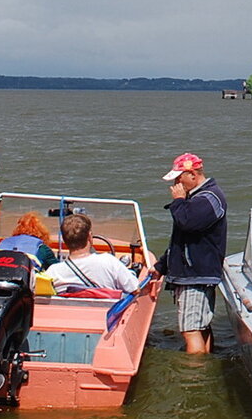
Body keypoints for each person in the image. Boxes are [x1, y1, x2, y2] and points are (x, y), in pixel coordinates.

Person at [154, 152, 227, 354]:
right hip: (196, 273)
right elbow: (182, 240)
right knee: (200, 326)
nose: (176, 183)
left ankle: (193, 374)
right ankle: (205, 362)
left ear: (193, 174)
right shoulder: (198, 198)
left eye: (180, 177)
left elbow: (186, 223)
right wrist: (162, 265)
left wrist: (178, 201)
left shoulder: (208, 198)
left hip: (194, 275)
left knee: (190, 330)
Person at [46, 213, 148, 294]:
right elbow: (135, 289)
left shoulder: (53, 272)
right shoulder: (109, 262)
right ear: (90, 237)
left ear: (64, 240)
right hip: (105, 317)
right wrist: (131, 273)